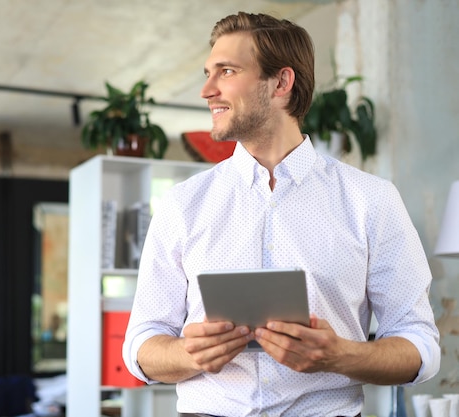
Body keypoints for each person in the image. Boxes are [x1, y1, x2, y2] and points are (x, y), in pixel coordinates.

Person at [122, 11, 440, 417]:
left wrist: (340, 356)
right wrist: (190, 354)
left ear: (281, 83)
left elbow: (421, 347)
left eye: (226, 71)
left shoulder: (373, 200)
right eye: (208, 72)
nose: (206, 90)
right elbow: (141, 347)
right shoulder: (182, 205)